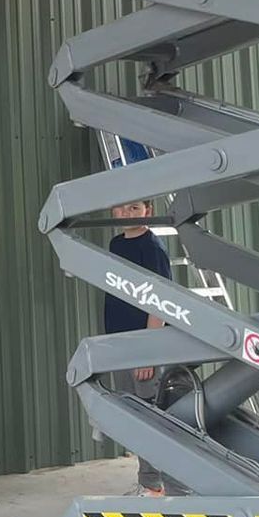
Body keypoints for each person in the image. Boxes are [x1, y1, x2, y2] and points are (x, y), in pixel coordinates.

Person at [103, 199, 172, 496]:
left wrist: (148, 351)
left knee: (149, 417)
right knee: (132, 415)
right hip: (120, 343)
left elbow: (160, 303)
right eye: (121, 207)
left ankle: (154, 485)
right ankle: (148, 482)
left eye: (135, 208)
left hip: (143, 346)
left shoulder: (152, 248)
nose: (126, 213)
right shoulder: (116, 244)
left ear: (148, 211)